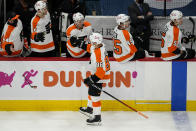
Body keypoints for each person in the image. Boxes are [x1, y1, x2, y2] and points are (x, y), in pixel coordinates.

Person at [70, 32, 111, 125]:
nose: (91, 43)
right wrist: (78, 43)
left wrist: (92, 80)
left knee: (95, 97)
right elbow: (89, 48)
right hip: (97, 74)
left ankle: (97, 117)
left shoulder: (99, 54)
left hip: (100, 77)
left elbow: (101, 72)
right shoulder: (99, 46)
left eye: (92, 42)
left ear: (96, 42)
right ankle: (89, 109)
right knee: (91, 91)